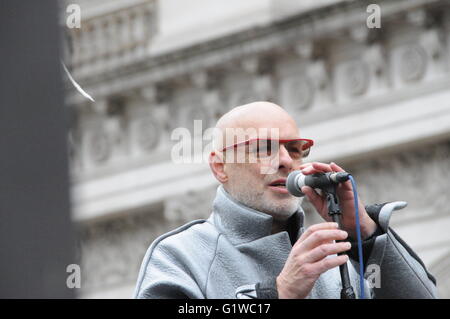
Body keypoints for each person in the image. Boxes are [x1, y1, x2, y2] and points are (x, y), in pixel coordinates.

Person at [133, 101, 437, 299]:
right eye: (263, 148)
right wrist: (278, 293)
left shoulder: (338, 254)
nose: (284, 161)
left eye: (294, 149)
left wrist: (365, 235)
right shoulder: (181, 256)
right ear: (220, 167)